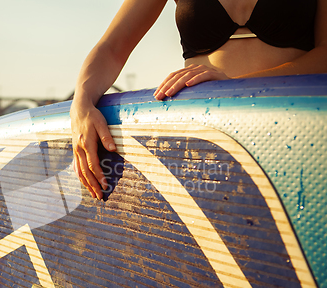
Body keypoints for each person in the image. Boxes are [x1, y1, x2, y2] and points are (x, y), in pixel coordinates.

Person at [71, 0, 327, 200]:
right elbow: (113, 47)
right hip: (204, 144)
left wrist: (236, 84)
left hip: (297, 136)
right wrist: (81, 103)